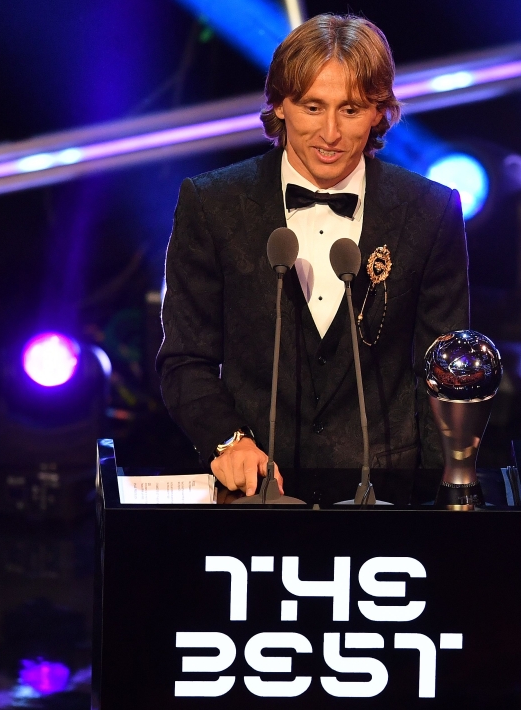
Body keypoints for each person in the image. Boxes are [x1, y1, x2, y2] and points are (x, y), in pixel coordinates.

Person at [158, 14, 468, 496]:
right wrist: (227, 441)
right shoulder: (212, 203)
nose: (330, 133)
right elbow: (185, 360)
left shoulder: (430, 210)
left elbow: (443, 373)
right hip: (255, 495)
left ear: (378, 111)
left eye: (350, 109)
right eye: (311, 107)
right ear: (280, 105)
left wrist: (437, 499)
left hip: (387, 498)